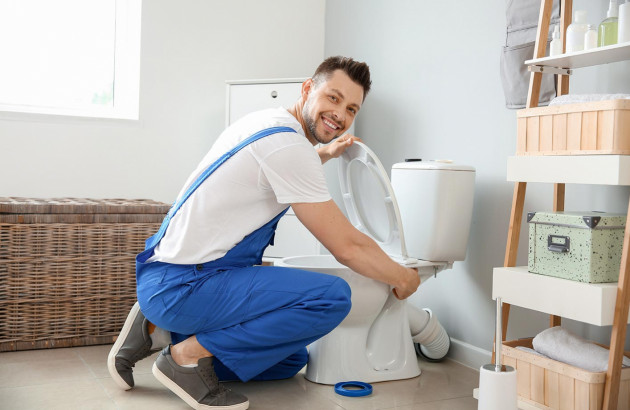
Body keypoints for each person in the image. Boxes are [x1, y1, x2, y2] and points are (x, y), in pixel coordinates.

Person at [107, 56, 420, 410]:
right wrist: (402, 277)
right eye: (333, 98)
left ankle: (157, 329)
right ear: (307, 88)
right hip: (185, 284)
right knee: (330, 298)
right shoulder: (290, 148)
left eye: (351, 108)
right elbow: (347, 247)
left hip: (171, 271)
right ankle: (184, 358)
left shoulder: (266, 122)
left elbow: (278, 169)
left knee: (289, 359)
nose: (341, 115)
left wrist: (324, 153)